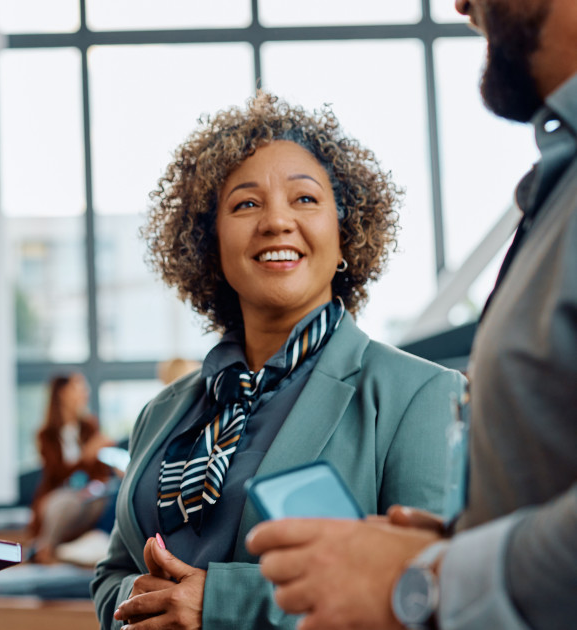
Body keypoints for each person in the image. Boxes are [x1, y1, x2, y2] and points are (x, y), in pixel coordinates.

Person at [247, 1, 577, 628]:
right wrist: (456, 543)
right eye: (243, 205)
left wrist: (430, 579)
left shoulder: (412, 387)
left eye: (306, 199)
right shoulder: (556, 190)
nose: (458, 2)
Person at [91, 92, 466, 630]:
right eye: (245, 204)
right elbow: (111, 576)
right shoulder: (165, 412)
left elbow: (431, 590)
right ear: (210, 246)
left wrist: (219, 604)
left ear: (345, 237)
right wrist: (140, 597)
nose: (276, 222)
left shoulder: (419, 396)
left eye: (305, 200)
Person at [28, 373, 116, 564]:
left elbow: (99, 471)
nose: (85, 392)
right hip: (59, 496)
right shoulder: (46, 435)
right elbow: (56, 473)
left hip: (89, 495)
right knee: (64, 501)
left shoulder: (89, 427)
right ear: (62, 393)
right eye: (78, 387)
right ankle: (46, 548)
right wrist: (86, 456)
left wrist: (107, 458)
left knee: (112, 495)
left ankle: (49, 548)